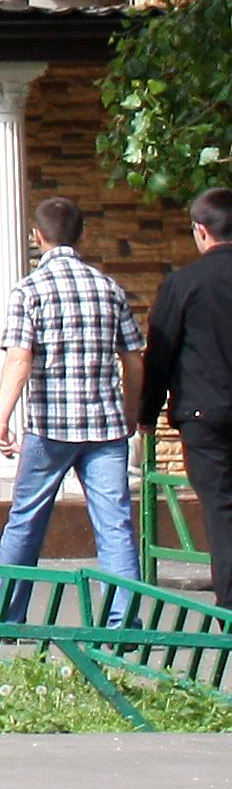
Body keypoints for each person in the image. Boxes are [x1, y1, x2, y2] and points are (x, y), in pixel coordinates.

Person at [0, 193, 146, 624]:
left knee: (26, 520)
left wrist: (2, 416)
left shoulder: (29, 290)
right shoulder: (108, 288)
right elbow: (134, 359)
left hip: (49, 428)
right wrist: (130, 412)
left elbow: (20, 359)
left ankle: (8, 614)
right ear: (82, 235)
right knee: (114, 524)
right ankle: (123, 620)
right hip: (105, 427)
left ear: (36, 236)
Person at [140, 186, 232, 599]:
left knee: (222, 510)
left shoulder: (183, 284)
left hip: (204, 416)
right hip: (207, 414)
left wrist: (146, 411)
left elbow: (161, 352)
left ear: (201, 230)